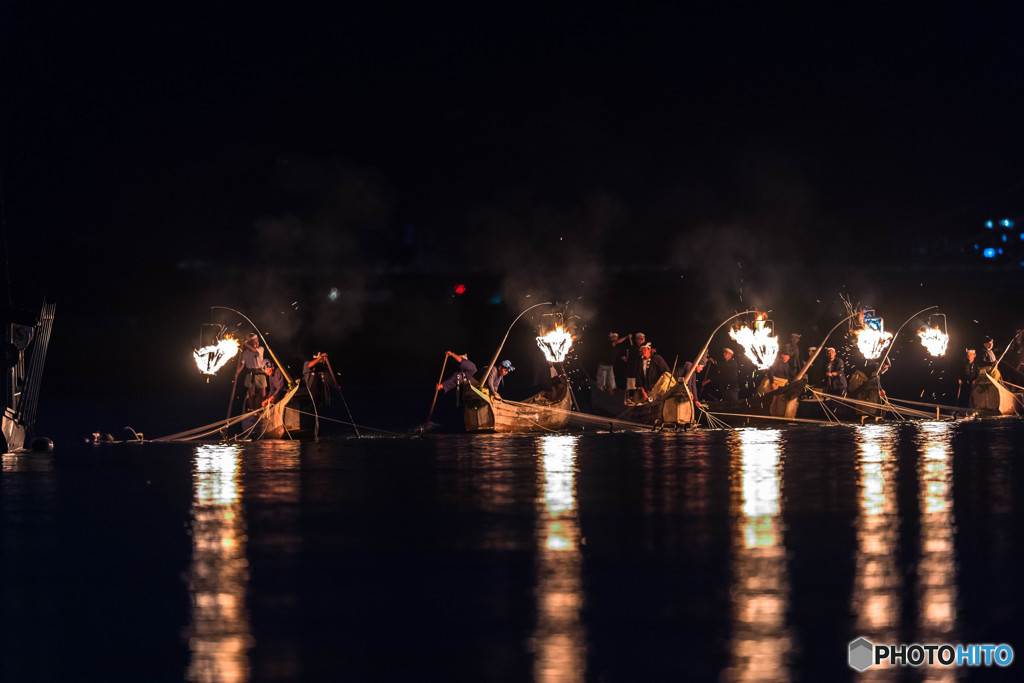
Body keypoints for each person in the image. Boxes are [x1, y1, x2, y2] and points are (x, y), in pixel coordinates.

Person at [234, 333, 267, 411]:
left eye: (257, 341)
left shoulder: (261, 349)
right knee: (251, 394)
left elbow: (254, 350)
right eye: (254, 342)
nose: (256, 343)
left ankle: (261, 408)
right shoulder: (245, 353)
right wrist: (237, 372)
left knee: (263, 393)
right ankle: (252, 409)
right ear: (250, 343)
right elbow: (242, 364)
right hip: (250, 374)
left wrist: (244, 343)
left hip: (260, 373)